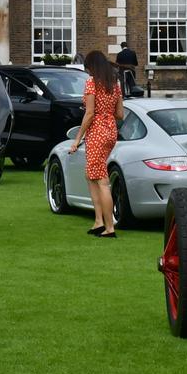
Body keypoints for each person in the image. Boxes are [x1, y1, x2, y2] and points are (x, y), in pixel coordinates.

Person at [68, 51, 126, 238]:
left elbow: (90, 113)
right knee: (91, 175)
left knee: (101, 180)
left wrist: (77, 138)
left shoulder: (92, 82)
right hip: (110, 130)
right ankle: (98, 221)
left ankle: (109, 227)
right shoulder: (114, 84)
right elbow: (120, 114)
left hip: (97, 131)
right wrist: (106, 112)